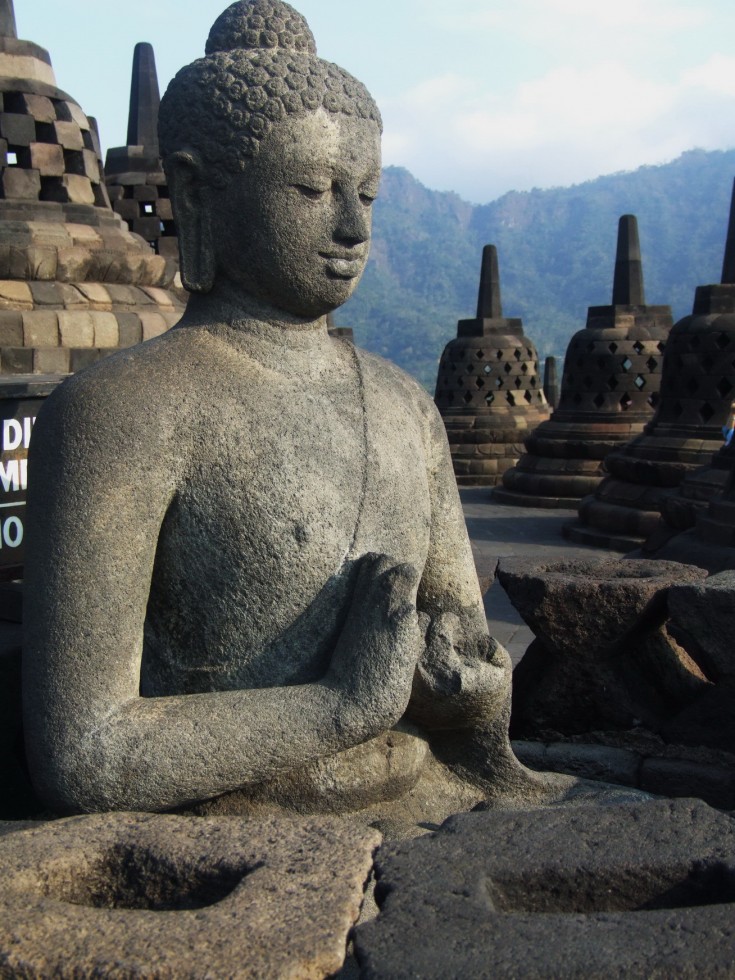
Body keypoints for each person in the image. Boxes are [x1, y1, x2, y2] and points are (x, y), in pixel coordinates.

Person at [23, 0, 566, 823]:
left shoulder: (403, 405)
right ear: (201, 194)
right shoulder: (119, 412)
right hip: (225, 839)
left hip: (423, 799)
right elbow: (86, 751)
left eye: (368, 195)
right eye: (312, 190)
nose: (352, 228)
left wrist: (469, 688)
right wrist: (340, 706)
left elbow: (454, 647)